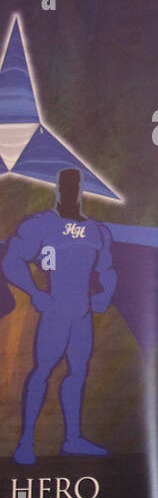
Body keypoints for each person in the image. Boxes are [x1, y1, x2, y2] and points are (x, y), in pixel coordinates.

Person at [3, 168, 116, 465]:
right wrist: (35, 293)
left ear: (81, 191)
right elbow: (12, 261)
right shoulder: (40, 225)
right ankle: (26, 442)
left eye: (75, 187)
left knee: (78, 372)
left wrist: (103, 295)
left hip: (82, 313)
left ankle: (73, 439)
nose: (70, 193)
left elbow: (107, 270)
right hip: (55, 311)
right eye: (65, 187)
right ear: (57, 190)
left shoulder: (97, 231)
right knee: (42, 371)